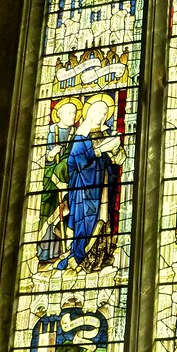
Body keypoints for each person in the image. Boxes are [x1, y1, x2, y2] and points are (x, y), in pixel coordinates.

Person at [57, 94, 125, 271]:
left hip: (103, 183)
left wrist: (115, 149)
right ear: (91, 113)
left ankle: (101, 256)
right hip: (85, 187)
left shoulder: (107, 132)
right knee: (86, 219)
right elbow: (75, 161)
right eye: (99, 112)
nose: (102, 116)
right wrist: (101, 149)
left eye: (105, 113)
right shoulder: (82, 135)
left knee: (103, 216)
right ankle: (80, 256)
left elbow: (118, 160)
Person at [37, 97, 80, 265]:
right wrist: (49, 155)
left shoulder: (76, 134)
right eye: (69, 112)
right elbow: (39, 157)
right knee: (48, 214)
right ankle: (44, 251)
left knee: (63, 214)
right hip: (49, 178)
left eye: (75, 113)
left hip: (66, 178)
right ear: (59, 114)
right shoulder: (49, 132)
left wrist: (63, 167)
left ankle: (59, 251)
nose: (73, 115)